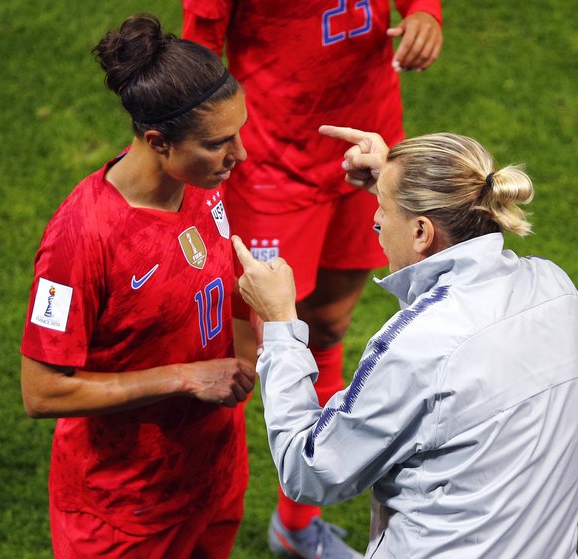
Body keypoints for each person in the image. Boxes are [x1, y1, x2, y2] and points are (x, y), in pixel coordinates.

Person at [232, 125, 578, 558]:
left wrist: (280, 324)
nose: (376, 220)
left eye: (383, 209)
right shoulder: (557, 288)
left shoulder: (420, 345)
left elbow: (309, 471)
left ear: (422, 233)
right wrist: (398, 181)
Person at [181, 2, 443, 556]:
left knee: (327, 327)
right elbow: (197, 59)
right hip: (270, 165)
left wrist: (425, 13)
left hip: (365, 147)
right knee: (237, 363)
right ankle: (189, 528)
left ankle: (295, 525)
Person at [19, 14, 256, 558]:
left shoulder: (200, 181)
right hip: (124, 511)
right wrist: (185, 377)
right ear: (158, 141)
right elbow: (41, 390)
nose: (239, 155)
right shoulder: (81, 237)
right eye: (220, 142)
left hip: (212, 472)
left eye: (238, 132)